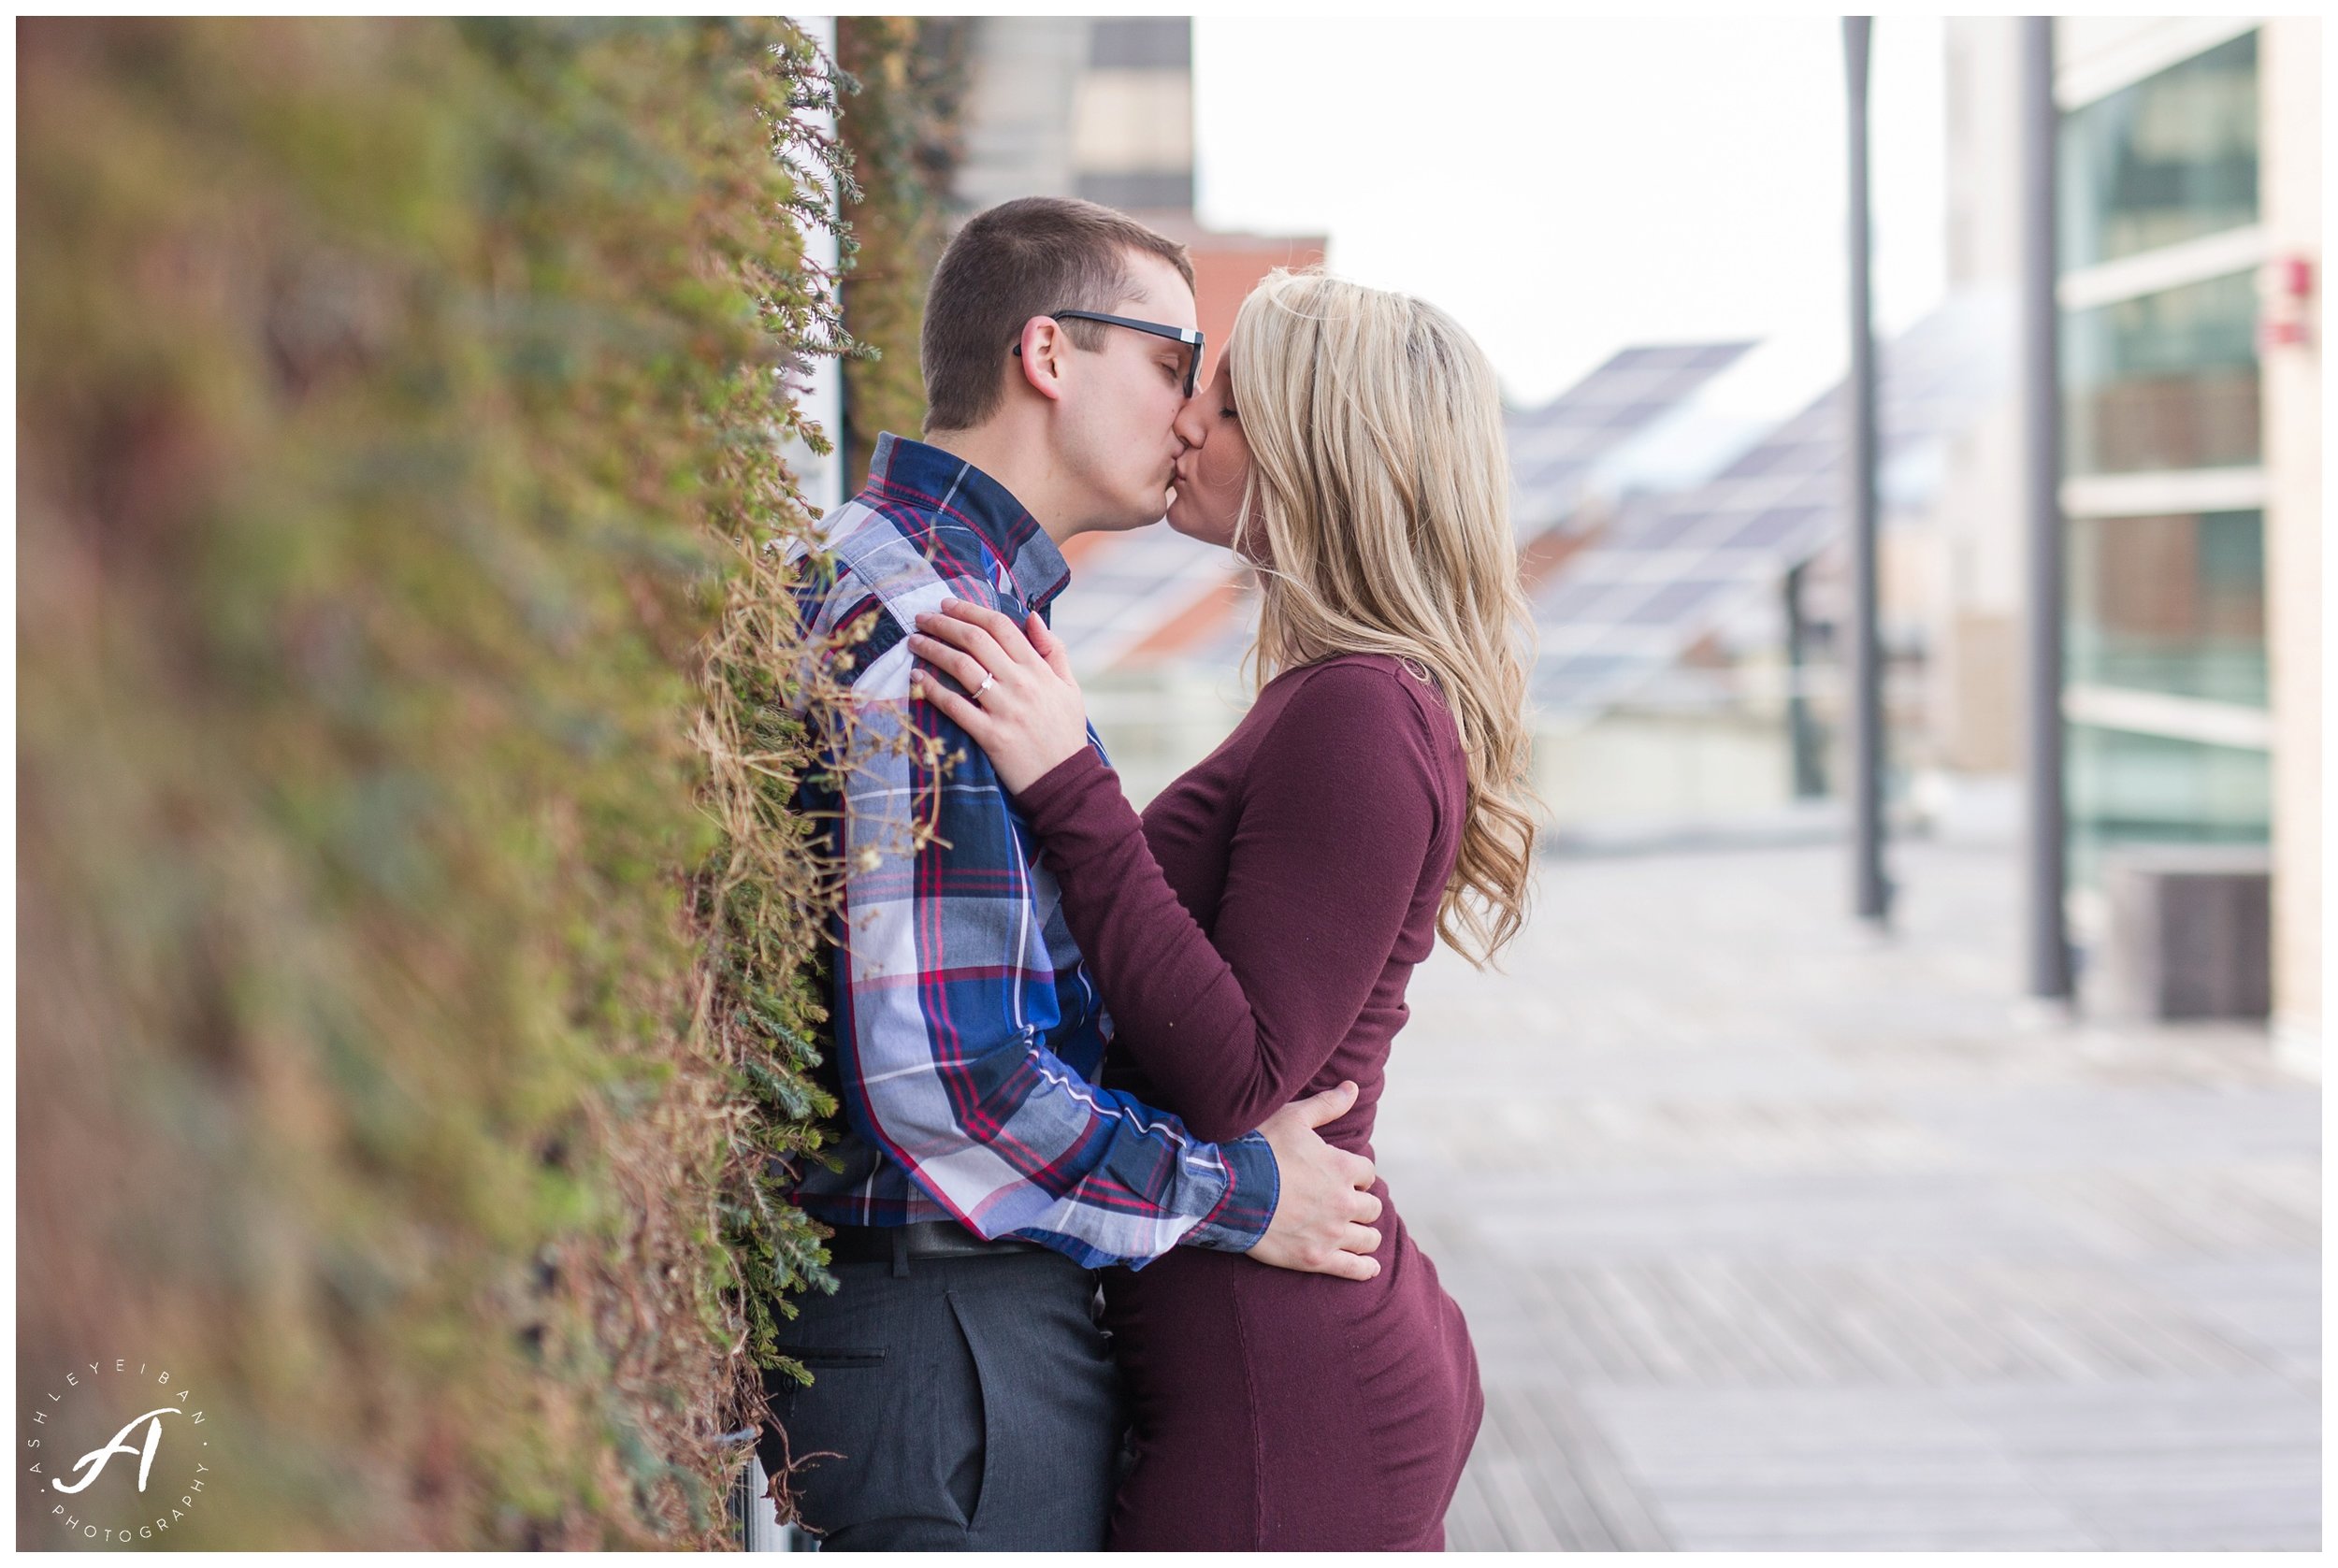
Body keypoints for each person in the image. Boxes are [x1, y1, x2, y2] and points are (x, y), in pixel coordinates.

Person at [758, 200, 1387, 1552]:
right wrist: (1241, 1190)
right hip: (950, 1346)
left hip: (959, 1333)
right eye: (1175, 363)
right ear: (1050, 352)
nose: (1193, 418)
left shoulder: (958, 604)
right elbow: (952, 1085)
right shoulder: (928, 631)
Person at [904, 268, 1539, 1550]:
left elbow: (1238, 1071)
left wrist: (1070, 779)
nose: (1189, 421)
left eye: (1231, 405)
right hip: (1270, 1348)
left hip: (1285, 1392)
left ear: (1324, 456)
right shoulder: (1337, 697)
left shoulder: (1361, 713)